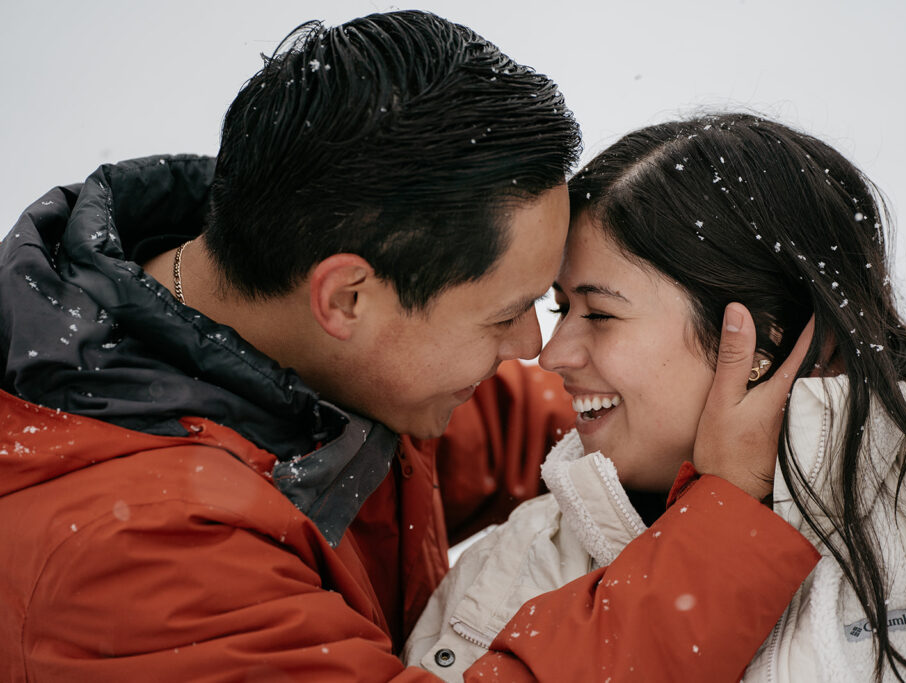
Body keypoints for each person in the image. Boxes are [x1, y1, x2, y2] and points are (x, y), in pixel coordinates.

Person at [0, 13, 820, 682]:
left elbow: (500, 425)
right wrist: (728, 521)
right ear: (346, 297)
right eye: (505, 315)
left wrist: (660, 402)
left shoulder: (264, 323)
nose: (535, 348)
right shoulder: (133, 555)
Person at [405, 112, 906, 682]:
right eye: (561, 307)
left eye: (598, 313)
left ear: (769, 335)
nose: (551, 354)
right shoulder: (501, 576)